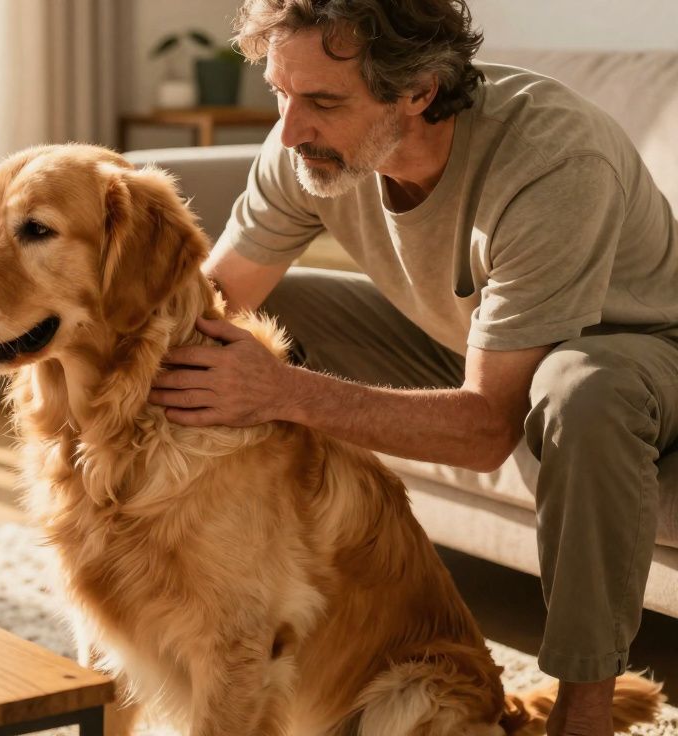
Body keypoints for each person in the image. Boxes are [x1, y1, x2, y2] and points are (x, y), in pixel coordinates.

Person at [146, 1, 678, 734]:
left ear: (419, 91)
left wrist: (283, 391)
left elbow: (486, 430)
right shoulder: (303, 147)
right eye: (279, 92)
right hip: (476, 339)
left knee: (578, 392)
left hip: (639, 348)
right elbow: (210, 305)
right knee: (254, 323)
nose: (290, 128)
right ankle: (254, 570)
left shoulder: (553, 159)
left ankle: (581, 710)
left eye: (324, 101)